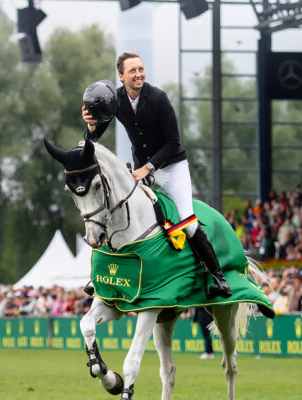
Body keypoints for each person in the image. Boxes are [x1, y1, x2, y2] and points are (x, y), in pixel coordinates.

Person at [81, 52, 231, 299]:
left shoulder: (159, 97)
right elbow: (93, 140)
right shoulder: (116, 99)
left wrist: (148, 168)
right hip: (143, 170)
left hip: (172, 168)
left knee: (187, 221)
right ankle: (99, 276)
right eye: (133, 71)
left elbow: (173, 142)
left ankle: (219, 277)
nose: (139, 74)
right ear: (121, 76)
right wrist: (90, 125)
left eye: (141, 69)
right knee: (117, 210)